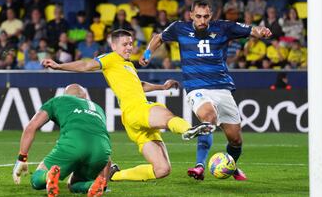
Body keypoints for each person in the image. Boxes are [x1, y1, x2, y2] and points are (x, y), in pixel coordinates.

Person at [42, 29, 215, 182]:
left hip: (133, 123)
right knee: (165, 115)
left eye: (131, 44)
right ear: (114, 46)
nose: (129, 47)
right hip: (136, 109)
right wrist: (59, 66)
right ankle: (187, 130)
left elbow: (140, 85)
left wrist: (161, 87)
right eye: (125, 44)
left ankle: (114, 175)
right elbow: (86, 64)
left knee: (162, 170)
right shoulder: (110, 58)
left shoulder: (128, 65)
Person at [140, 0, 272, 181]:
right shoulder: (179, 27)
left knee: (235, 139)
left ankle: (231, 166)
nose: (202, 20)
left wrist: (262, 31)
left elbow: (251, 30)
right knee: (208, 118)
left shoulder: (223, 27)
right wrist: (147, 53)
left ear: (211, 15)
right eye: (199, 16)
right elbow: (158, 38)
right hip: (197, 87)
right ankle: (199, 166)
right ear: (191, 15)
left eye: (206, 16)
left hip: (222, 87)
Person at [12, 84, 111, 197]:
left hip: (73, 145)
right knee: (75, 185)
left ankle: (48, 175)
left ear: (65, 95)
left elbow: (31, 127)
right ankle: (92, 185)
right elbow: (99, 137)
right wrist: (105, 181)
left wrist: (22, 158)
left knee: (36, 180)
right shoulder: (98, 108)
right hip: (102, 150)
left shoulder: (58, 100)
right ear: (85, 96)